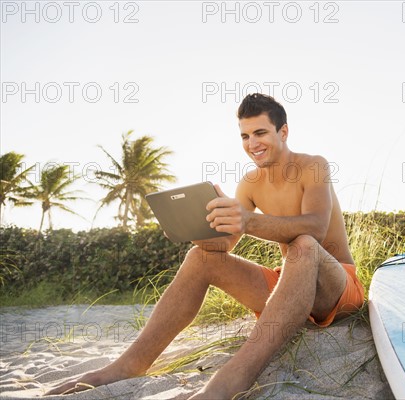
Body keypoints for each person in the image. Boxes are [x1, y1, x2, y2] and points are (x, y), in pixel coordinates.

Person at [47, 93, 365, 399]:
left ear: (283, 131)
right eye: (244, 136)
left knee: (305, 245)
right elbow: (225, 245)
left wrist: (247, 221)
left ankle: (228, 383)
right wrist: (201, 229)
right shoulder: (250, 183)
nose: (252, 144)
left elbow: (316, 228)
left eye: (260, 133)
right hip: (289, 291)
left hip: (335, 290)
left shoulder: (313, 166)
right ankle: (129, 365)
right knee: (200, 258)